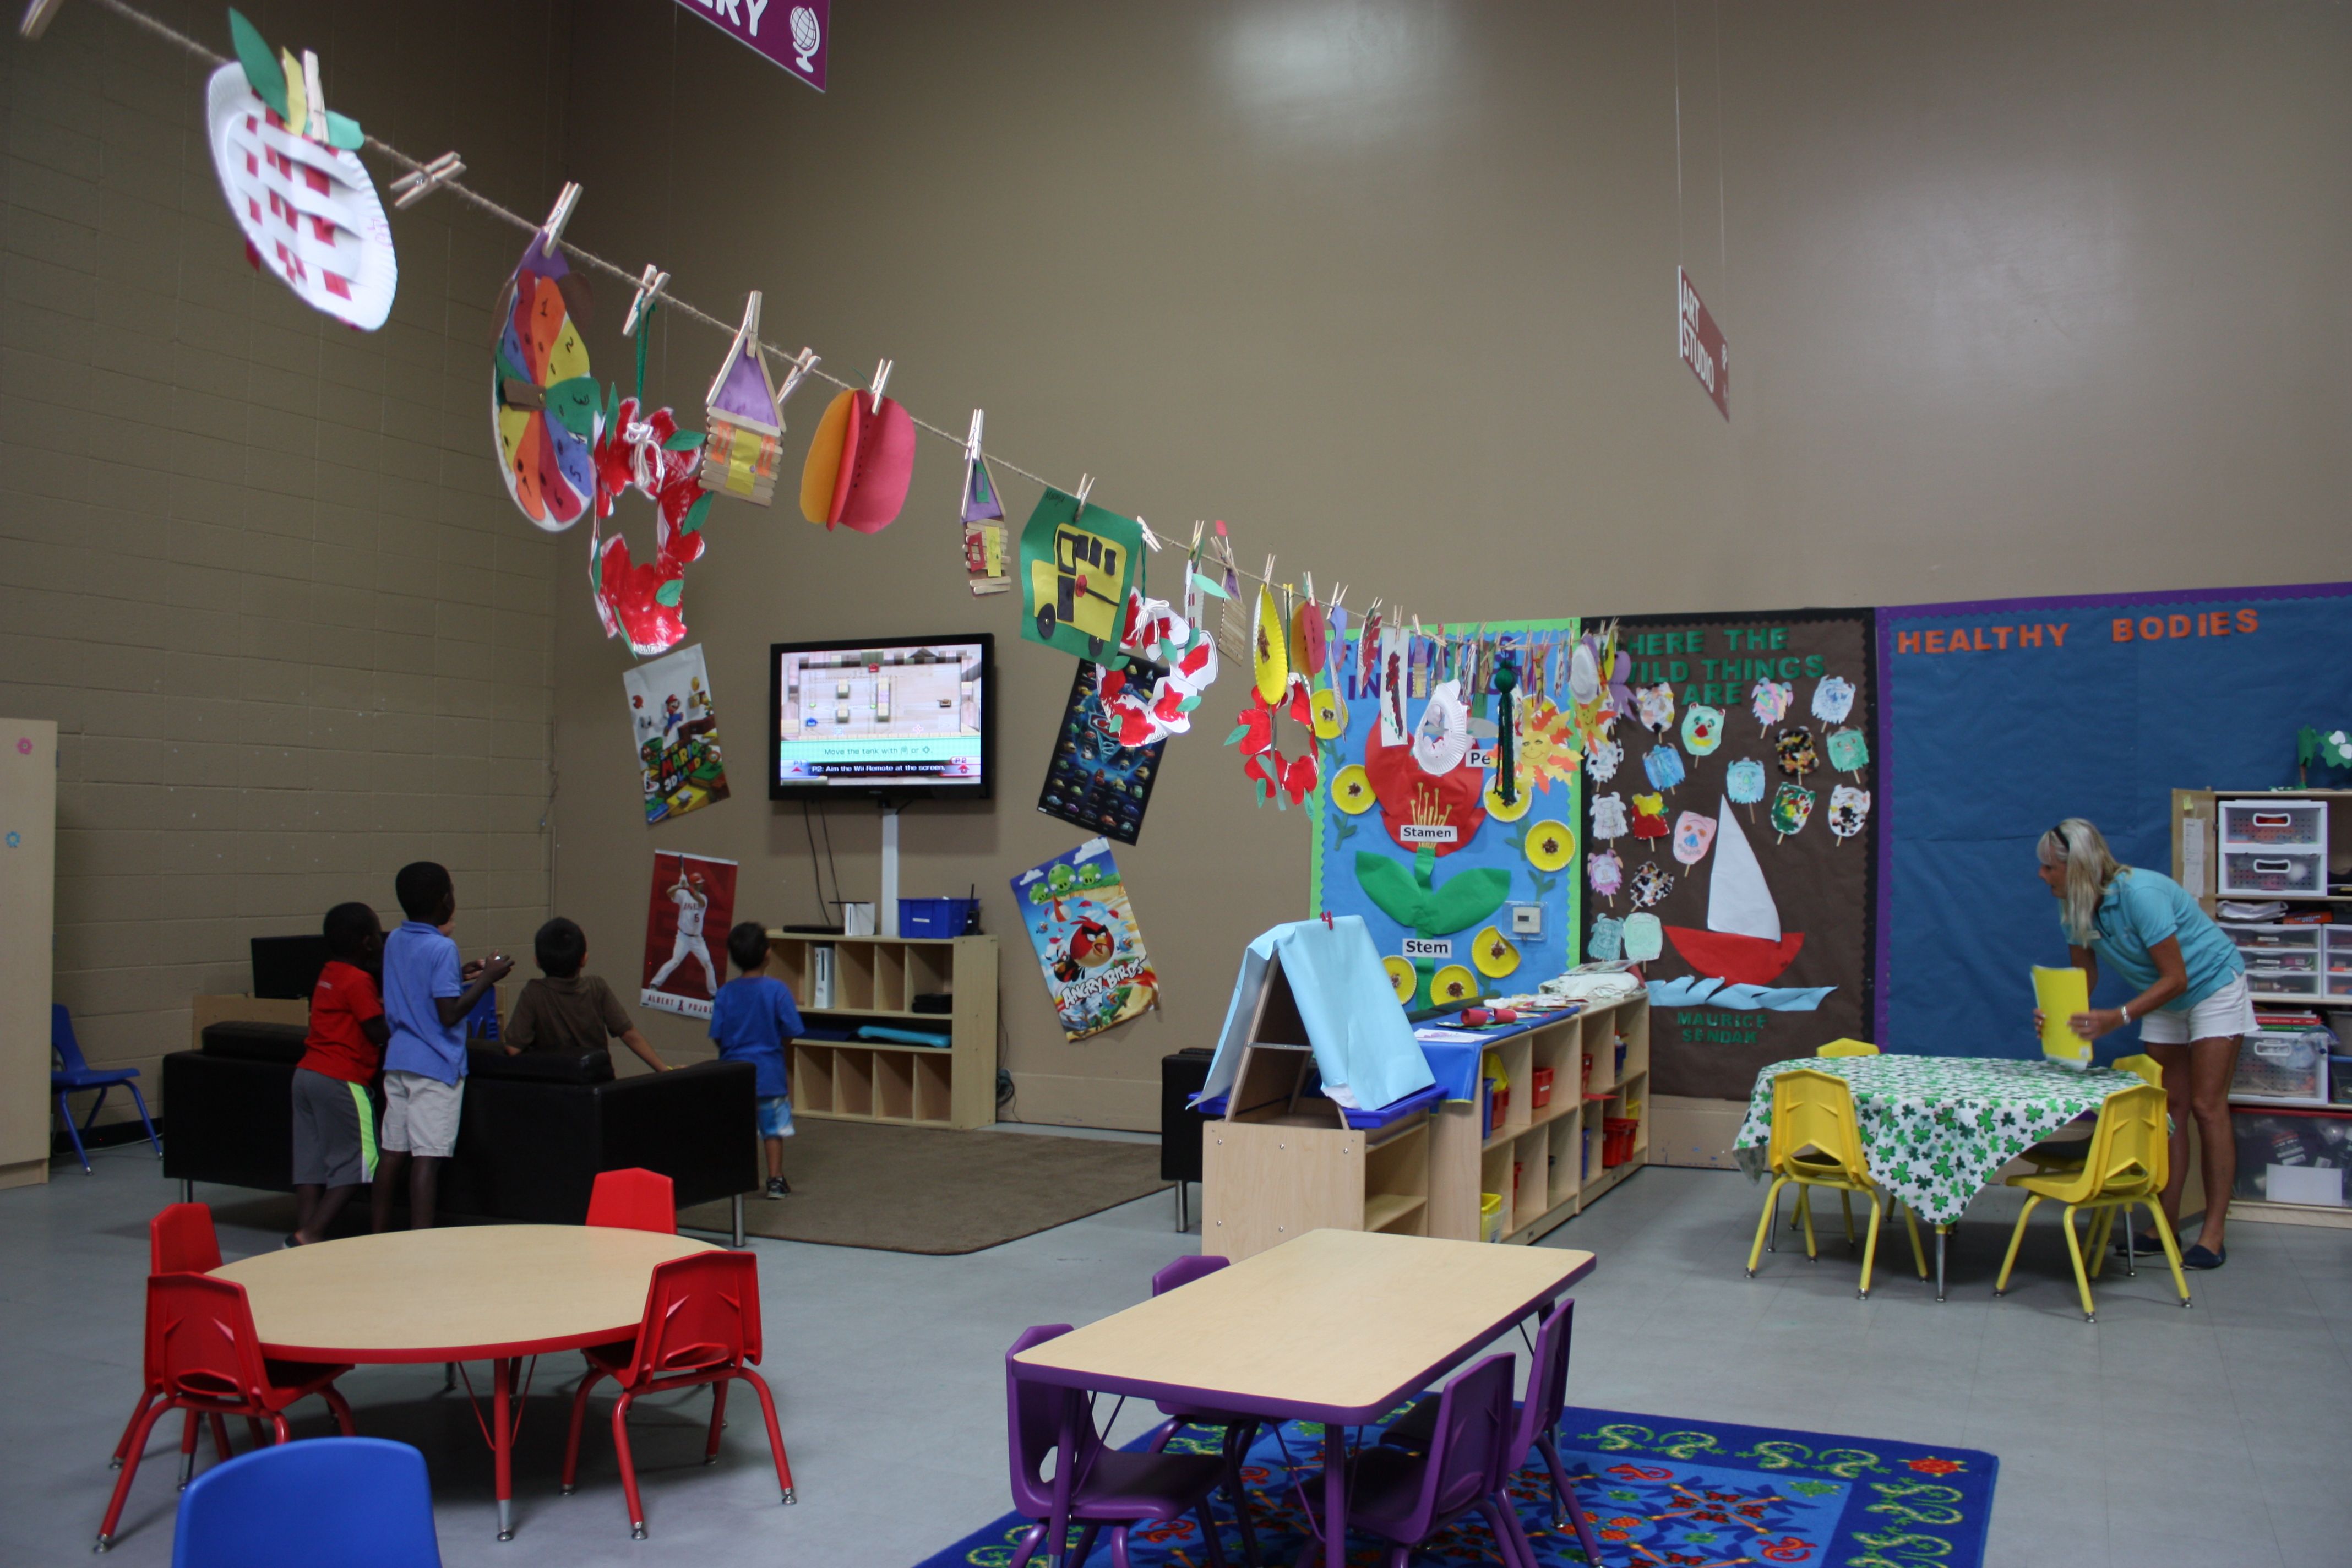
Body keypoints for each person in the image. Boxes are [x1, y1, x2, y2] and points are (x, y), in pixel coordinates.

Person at [2033, 818, 2252, 1269]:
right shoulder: (2073, 905)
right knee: (2169, 1111)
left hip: (2212, 986)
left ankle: (2213, 1233)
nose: (2042, 875)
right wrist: (2058, 1014)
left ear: (2077, 867)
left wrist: (2118, 1017)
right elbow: (2084, 976)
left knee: (2207, 1107)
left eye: (2049, 867)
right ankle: (2163, 1225)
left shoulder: (2142, 894)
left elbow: (2178, 978)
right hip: (2165, 996)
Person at [373, 862, 511, 1232]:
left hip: (398, 1060)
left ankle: (376, 1236)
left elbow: (416, 986)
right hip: (434, 1067)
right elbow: (449, 1015)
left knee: (392, 1153)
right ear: (444, 900)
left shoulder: (394, 940)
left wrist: (459, 975)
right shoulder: (442, 947)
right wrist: (487, 978)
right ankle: (422, 1242)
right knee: (427, 1158)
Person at [287, 902, 388, 1247]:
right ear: (367, 942)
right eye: (377, 934)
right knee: (362, 1161)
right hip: (341, 1078)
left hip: (306, 1075)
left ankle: (306, 1242)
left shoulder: (329, 972)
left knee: (311, 1165)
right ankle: (309, 1234)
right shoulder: (359, 981)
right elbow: (377, 1031)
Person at [710, 921, 804, 1199]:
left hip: (734, 1075)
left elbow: (718, 1035)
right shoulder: (778, 990)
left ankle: (735, 1179)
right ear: (767, 954)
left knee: (737, 1129)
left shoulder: (726, 993)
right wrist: (777, 1049)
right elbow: (791, 1031)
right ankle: (775, 1180)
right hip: (769, 1076)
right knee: (772, 1130)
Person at [504, 917, 669, 1074]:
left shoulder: (534, 992)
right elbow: (628, 1034)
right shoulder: (597, 987)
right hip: (598, 1085)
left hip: (554, 1087)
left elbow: (513, 1049)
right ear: (584, 959)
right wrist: (664, 1070)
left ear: (537, 962)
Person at [648, 864, 719, 997]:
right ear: (694, 885)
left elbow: (701, 903)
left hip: (697, 940)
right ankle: (654, 984)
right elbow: (669, 892)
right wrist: (679, 885)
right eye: (699, 884)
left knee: (708, 964)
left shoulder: (703, 898)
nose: (701, 885)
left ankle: (714, 995)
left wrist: (688, 887)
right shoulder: (683, 895)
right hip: (683, 937)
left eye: (701, 883)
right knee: (675, 961)